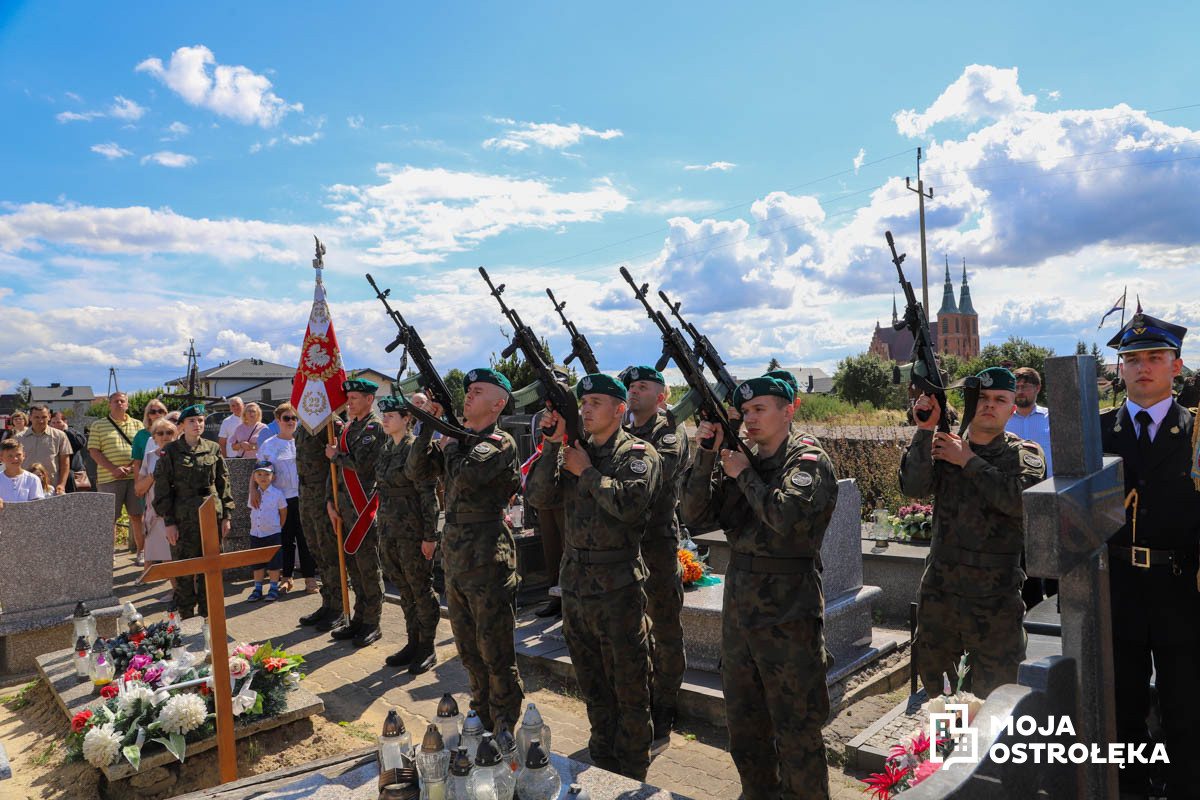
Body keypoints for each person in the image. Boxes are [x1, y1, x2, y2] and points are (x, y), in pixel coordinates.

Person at [682, 376, 837, 799]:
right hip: (740, 614)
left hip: (788, 614)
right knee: (745, 727)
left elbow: (785, 519)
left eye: (760, 409)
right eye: (746, 411)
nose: (750, 419)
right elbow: (694, 514)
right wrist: (706, 455)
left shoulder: (807, 460)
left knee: (796, 731)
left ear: (789, 410)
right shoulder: (740, 458)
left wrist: (745, 475)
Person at [528, 373, 660, 780]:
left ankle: (633, 775)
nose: (586, 410)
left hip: (618, 589)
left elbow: (629, 506)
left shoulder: (637, 454)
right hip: (576, 587)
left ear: (619, 410)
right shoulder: (572, 451)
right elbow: (538, 496)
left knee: (630, 690)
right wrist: (553, 445)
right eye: (583, 403)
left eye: (596, 403)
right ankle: (603, 766)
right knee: (593, 688)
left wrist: (586, 472)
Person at [899, 367, 1046, 699]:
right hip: (941, 596)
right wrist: (925, 430)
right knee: (942, 697)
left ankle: (988, 737)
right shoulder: (945, 445)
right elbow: (913, 487)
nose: (989, 405)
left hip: (995, 600)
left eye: (1000, 400)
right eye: (982, 397)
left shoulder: (1024, 453)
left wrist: (968, 460)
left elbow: (1022, 502)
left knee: (996, 699)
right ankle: (948, 735)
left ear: (1012, 408)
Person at [1099, 313, 1199, 798]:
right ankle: (1132, 789)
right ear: (1121, 369)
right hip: (1116, 586)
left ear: (1176, 366)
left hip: (1181, 587)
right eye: (1132, 359)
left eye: (1155, 357)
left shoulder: (1196, 432)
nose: (1143, 367)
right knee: (1122, 703)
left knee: (1186, 702)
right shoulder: (1098, 430)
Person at [407, 368, 523, 731]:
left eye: (478, 391)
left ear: (498, 404)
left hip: (488, 560)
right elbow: (416, 470)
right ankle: (481, 719)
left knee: (495, 654)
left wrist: (451, 442)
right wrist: (429, 424)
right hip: (456, 560)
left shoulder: (499, 442)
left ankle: (504, 726)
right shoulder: (457, 440)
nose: (469, 395)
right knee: (469, 653)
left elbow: (467, 477)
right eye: (468, 390)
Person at [621, 365, 690, 747]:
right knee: (633, 627)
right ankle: (640, 701)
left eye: (643, 386)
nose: (634, 390)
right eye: (631, 386)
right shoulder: (621, 430)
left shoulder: (669, 432)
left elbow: (654, 477)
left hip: (657, 543)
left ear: (661, 397)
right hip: (624, 541)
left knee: (664, 627)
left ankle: (665, 705)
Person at [376, 395, 440, 674]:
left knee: (421, 588)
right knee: (404, 589)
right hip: (389, 529)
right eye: (384, 415)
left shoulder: (417, 448)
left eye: (391, 415)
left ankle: (427, 646)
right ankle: (412, 641)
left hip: (413, 531)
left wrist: (430, 536)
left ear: (407, 419)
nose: (385, 419)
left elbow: (428, 495)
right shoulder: (386, 448)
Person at [153, 404, 233, 619]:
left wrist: (226, 515)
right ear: (181, 426)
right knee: (185, 570)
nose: (197, 424)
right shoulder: (170, 451)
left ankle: (209, 617)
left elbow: (223, 482)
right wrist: (169, 522)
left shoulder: (213, 448)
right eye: (192, 421)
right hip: (183, 517)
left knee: (212, 566)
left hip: (211, 513)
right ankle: (187, 617)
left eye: (200, 420)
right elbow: (162, 489)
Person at [324, 379, 387, 647]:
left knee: (368, 568)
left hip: (363, 506)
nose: (348, 403)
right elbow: (336, 471)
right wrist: (330, 501)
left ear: (369, 399)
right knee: (354, 568)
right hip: (344, 507)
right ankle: (359, 619)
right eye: (348, 398)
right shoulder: (349, 427)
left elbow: (363, 466)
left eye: (354, 398)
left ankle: (372, 623)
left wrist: (335, 455)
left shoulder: (375, 428)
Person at [258, 403, 317, 594]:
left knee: (305, 538)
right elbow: (259, 470)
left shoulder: (303, 441)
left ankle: (310, 578)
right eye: (286, 418)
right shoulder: (269, 445)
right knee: (285, 539)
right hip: (280, 499)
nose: (291, 422)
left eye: (294, 418)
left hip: (303, 497)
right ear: (278, 420)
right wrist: (254, 491)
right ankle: (287, 578)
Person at [296, 413, 346, 630]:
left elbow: (338, 460)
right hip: (306, 494)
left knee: (330, 552)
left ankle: (339, 607)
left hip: (324, 495)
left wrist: (331, 499)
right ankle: (327, 603)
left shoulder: (330, 422)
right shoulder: (303, 423)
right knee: (316, 551)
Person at [88, 392, 146, 561]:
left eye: (122, 401)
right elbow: (94, 451)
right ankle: (109, 554)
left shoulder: (138, 424)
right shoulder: (98, 425)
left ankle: (141, 552)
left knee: (138, 516)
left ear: (127, 404)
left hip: (134, 477)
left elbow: (142, 450)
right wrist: (113, 469)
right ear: (109, 405)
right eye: (115, 401)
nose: (119, 404)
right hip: (109, 478)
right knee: (109, 518)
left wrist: (129, 467)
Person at [528, 407, 566, 619]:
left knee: (567, 547)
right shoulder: (540, 417)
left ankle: (568, 600)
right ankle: (555, 598)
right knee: (551, 549)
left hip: (564, 485)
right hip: (545, 482)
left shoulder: (574, 415)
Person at [135, 418, 177, 596]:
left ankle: (185, 593)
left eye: (169, 432)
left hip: (178, 510)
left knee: (178, 554)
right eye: (160, 433)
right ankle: (175, 591)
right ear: (154, 437)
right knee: (164, 554)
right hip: (155, 512)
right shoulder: (150, 456)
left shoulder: (181, 454)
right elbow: (139, 488)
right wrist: (153, 476)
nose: (165, 436)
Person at [247, 460, 289, 601]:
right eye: (259, 474)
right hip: (256, 534)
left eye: (266, 474)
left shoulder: (277, 494)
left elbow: (283, 512)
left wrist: (278, 527)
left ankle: (273, 588)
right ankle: (257, 589)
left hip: (272, 534)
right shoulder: (253, 494)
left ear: (273, 477)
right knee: (257, 564)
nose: (263, 477)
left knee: (274, 564)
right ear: (254, 477)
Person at [1006, 367, 1053, 476]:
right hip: (1012, 484)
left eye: (1025, 387)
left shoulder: (1052, 418)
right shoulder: (1002, 420)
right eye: (1016, 387)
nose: (1020, 392)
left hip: (1048, 483)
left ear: (1038, 388)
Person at [18, 405, 71, 496]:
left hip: (51, 488)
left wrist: (62, 485)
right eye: (36, 417)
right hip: (25, 487)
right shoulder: (19, 438)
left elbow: (65, 463)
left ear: (49, 417)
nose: (41, 420)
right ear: (30, 417)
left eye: (44, 417)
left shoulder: (60, 436)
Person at [50, 411, 89, 492]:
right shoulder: (49, 435)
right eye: (53, 423)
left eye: (58, 422)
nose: (56, 425)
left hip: (73, 473)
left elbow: (80, 443)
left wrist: (66, 431)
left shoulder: (71, 432)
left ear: (64, 422)